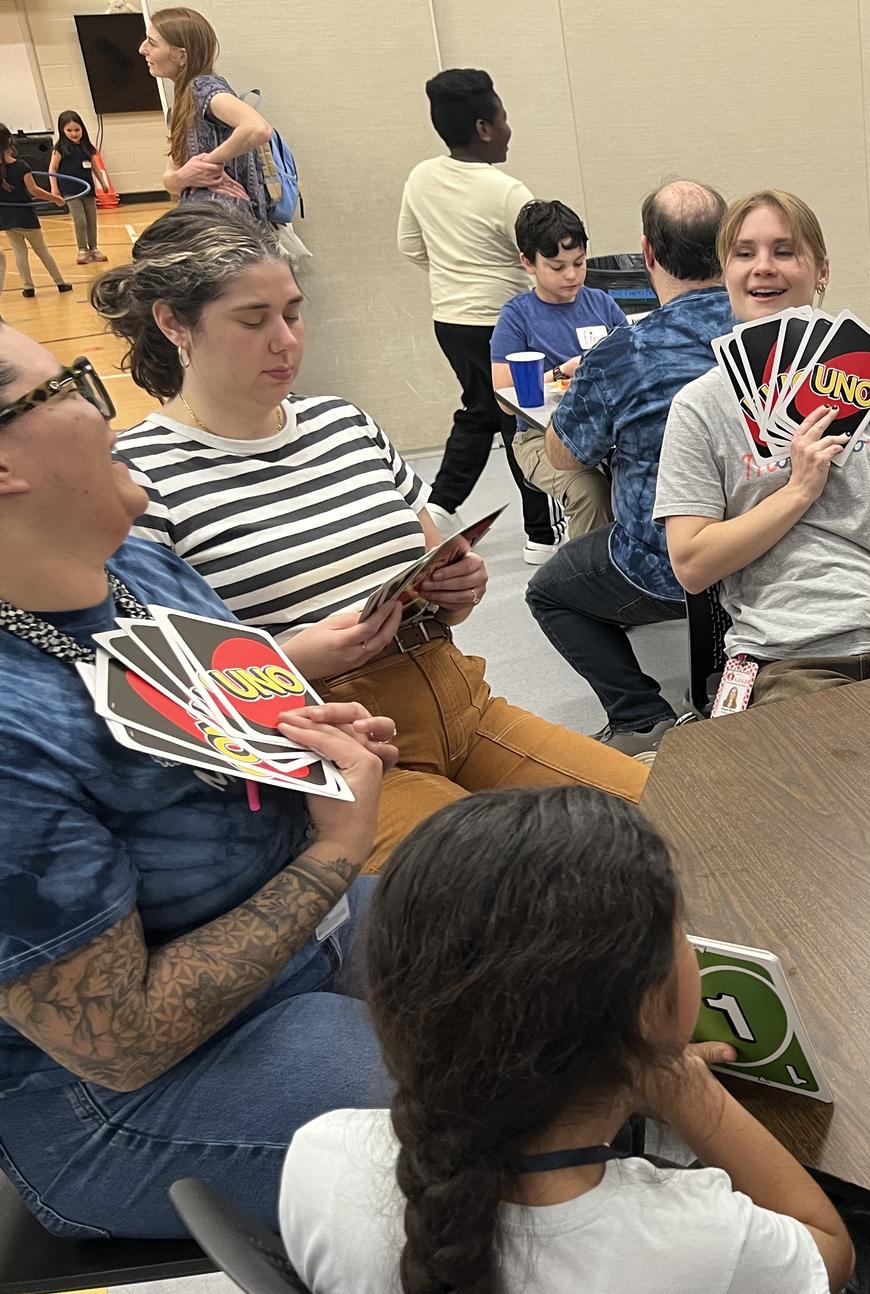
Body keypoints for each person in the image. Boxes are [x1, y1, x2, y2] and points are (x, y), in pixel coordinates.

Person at [280, 788, 870, 1294]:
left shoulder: (319, 1161)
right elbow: (831, 1254)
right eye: (682, 932)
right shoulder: (701, 1247)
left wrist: (636, 1060)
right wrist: (687, 1091)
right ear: (650, 1010)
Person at [95, 206, 648, 870]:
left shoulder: (343, 423)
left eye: (292, 314)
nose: (285, 341)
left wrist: (456, 589)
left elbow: (427, 568)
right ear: (173, 323)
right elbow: (154, 691)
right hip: (336, 756)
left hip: (459, 701)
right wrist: (293, 658)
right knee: (510, 890)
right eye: (253, 320)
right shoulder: (137, 476)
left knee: (666, 813)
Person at [0, 320, 398, 1238]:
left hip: (295, 943)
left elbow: (228, 745)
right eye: (70, 387)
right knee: (497, 1104)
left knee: (555, 947)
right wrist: (335, 853)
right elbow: (120, 1043)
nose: (110, 409)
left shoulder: (137, 566)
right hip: (109, 1101)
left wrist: (308, 743)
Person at [655, 190, 870, 709]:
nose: (763, 267)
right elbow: (692, 565)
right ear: (725, 273)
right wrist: (798, 491)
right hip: (787, 655)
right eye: (744, 253)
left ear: (821, 271)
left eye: (784, 251)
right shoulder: (699, 407)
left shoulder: (867, 381)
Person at [528, 181, 734, 752]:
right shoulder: (772, 333)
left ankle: (640, 715)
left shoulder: (624, 351)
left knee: (549, 591)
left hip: (668, 566)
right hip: (769, 549)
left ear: (647, 252)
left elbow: (565, 454)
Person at [398, 69, 558, 566]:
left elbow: (409, 246)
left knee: (480, 409)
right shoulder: (507, 191)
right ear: (485, 128)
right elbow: (544, 258)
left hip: (450, 319)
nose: (509, 129)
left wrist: (455, 275)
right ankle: (541, 535)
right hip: (505, 322)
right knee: (521, 422)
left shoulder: (421, 178)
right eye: (503, 118)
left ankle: (439, 507)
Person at [488, 199, 629, 539]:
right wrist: (562, 372)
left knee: (647, 474)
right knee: (590, 493)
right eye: (557, 266)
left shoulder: (601, 303)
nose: (571, 275)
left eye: (579, 263)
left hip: (604, 429)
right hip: (541, 436)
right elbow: (505, 400)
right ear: (528, 263)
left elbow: (631, 360)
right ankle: (590, 569)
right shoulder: (517, 317)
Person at [139, 7, 274, 215]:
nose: (142, 49)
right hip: (209, 219)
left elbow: (258, 128)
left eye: (152, 43)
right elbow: (170, 180)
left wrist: (209, 163)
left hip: (228, 222)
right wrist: (186, 176)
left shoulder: (204, 88)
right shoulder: (181, 105)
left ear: (181, 56)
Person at [0, 127, 73, 299]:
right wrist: (55, 198)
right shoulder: (21, 166)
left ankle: (28, 287)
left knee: (19, 252)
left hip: (7, 218)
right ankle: (60, 283)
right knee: (42, 250)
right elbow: (34, 190)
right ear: (10, 142)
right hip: (26, 217)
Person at [52, 112, 106, 265]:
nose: (74, 133)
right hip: (71, 191)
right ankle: (82, 249)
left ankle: (93, 248)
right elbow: (53, 168)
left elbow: (94, 167)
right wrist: (54, 189)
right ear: (62, 130)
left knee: (91, 220)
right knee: (80, 220)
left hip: (88, 190)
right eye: (69, 130)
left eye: (77, 130)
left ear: (82, 129)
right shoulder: (60, 148)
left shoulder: (86, 147)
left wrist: (102, 183)